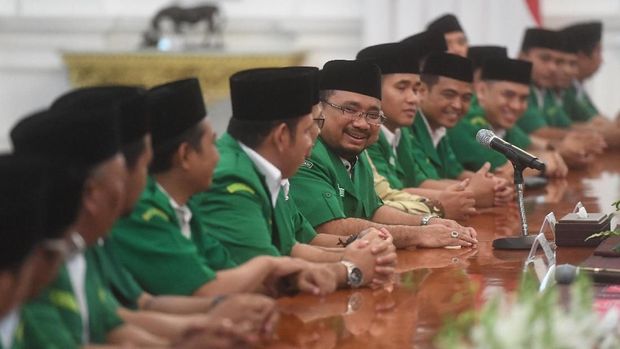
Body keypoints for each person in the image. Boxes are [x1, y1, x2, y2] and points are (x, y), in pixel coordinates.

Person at [51, 86, 279, 344]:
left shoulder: (90, 240)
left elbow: (133, 310)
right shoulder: (45, 256)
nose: (148, 178)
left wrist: (213, 318)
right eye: (145, 165)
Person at [109, 78, 339, 298]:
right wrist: (270, 266)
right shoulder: (144, 211)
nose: (219, 155)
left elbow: (223, 270)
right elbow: (203, 290)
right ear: (186, 155)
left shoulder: (184, 205)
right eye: (211, 144)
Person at [196, 66, 396, 290]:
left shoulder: (270, 169)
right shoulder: (230, 180)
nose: (316, 137)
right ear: (282, 136)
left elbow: (296, 245)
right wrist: (351, 270)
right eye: (310, 128)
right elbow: (265, 279)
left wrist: (360, 252)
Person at [290, 59, 478, 249]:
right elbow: (329, 229)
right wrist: (417, 235)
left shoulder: (356, 151)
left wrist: (428, 222)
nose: (362, 124)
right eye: (350, 109)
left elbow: (374, 210)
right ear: (320, 110)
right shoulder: (306, 153)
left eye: (373, 115)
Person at [359, 42, 477, 220]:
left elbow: (412, 182)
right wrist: (442, 203)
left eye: (416, 89)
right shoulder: (363, 135)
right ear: (373, 90)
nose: (414, 99)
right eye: (401, 88)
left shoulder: (402, 133)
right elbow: (385, 197)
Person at [406, 52, 513, 207]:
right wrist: (474, 190)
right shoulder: (408, 126)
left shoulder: (440, 128)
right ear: (422, 91)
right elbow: (419, 182)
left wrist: (495, 185)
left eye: (466, 98)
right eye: (449, 95)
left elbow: (456, 172)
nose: (457, 105)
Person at [448, 57, 568, 178]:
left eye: (523, 98)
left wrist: (552, 154)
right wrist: (544, 163)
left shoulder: (501, 123)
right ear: (482, 91)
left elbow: (530, 144)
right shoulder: (464, 121)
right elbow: (502, 169)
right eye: (508, 95)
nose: (516, 106)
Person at [516, 27, 606, 166]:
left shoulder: (546, 91)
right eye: (545, 59)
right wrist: (597, 136)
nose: (553, 68)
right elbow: (540, 132)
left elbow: (567, 126)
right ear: (522, 56)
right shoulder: (519, 89)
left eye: (556, 62)